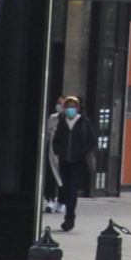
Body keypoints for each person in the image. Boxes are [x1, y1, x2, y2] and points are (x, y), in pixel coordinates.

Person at [47, 97, 93, 233]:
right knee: (66, 189)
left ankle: (69, 218)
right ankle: (69, 214)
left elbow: (92, 140)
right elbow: (56, 140)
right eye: (67, 107)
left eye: (73, 106)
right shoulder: (62, 122)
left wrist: (83, 151)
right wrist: (58, 150)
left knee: (72, 189)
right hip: (65, 161)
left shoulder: (84, 122)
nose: (70, 109)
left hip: (79, 162)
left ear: (77, 108)